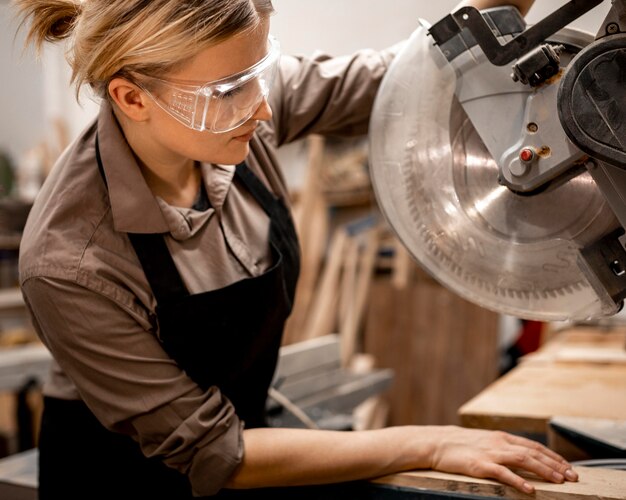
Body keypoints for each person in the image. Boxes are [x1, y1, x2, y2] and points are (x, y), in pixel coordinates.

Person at [14, 0, 578, 498]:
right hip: (127, 478)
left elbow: (414, 74)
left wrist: (500, 9)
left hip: (249, 444)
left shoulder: (230, 108)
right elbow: (215, 452)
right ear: (132, 98)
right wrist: (424, 442)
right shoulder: (70, 263)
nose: (263, 108)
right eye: (230, 90)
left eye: (261, 73)